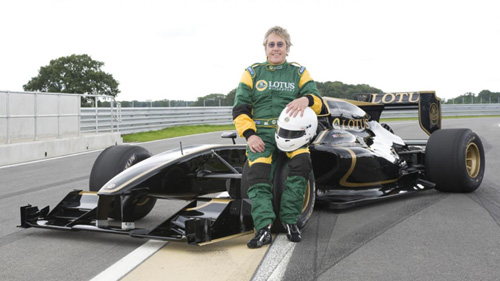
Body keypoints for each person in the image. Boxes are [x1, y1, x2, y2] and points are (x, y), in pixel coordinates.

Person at [232, 26, 324, 249]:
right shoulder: (252, 73)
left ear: (287, 48)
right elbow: (240, 109)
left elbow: (318, 101)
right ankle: (263, 228)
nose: (275, 48)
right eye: (271, 44)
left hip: (292, 132)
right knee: (259, 175)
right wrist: (250, 135)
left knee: (301, 166)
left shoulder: (299, 72)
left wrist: (307, 100)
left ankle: (290, 221)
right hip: (261, 134)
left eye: (280, 44)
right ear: (265, 48)